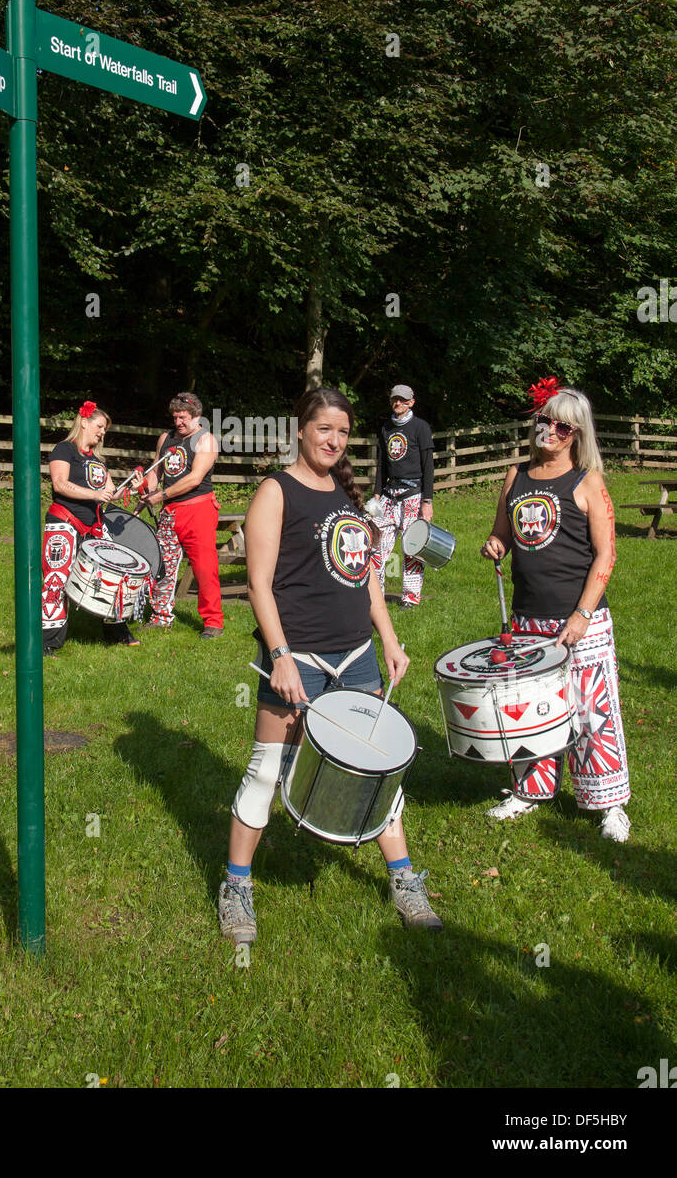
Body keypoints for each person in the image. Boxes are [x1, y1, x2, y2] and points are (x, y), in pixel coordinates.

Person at [218, 387, 442, 947]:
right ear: (300, 430)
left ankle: (404, 879)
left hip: (358, 657)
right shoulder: (276, 491)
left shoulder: (349, 497)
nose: (334, 440)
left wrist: (389, 638)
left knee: (377, 767)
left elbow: (366, 574)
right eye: (324, 429)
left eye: (342, 432)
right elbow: (259, 584)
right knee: (268, 770)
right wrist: (280, 657)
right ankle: (236, 886)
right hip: (301, 660)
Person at [480, 380, 630, 840]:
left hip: (579, 620)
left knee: (590, 708)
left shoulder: (588, 483)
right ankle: (530, 790)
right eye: (544, 420)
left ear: (577, 434)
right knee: (533, 708)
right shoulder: (516, 476)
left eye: (562, 426)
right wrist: (495, 544)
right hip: (527, 618)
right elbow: (503, 532)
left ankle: (609, 805)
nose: (549, 430)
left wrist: (582, 615)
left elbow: (606, 554)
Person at [41, 401, 139, 653]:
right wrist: (93, 495)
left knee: (114, 574)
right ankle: (48, 641)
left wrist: (131, 488)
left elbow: (109, 493)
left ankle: (115, 632)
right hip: (64, 521)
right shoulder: (64, 450)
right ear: (84, 422)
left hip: (93, 525)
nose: (103, 432)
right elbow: (60, 484)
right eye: (100, 426)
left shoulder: (98, 460)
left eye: (105, 428)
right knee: (56, 578)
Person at [141, 391, 224, 638]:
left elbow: (194, 478)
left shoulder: (205, 440)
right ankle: (160, 616)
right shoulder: (165, 438)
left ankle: (213, 622)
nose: (178, 422)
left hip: (198, 509)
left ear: (197, 416)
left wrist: (160, 496)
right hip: (170, 510)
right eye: (175, 417)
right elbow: (155, 470)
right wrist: (147, 488)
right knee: (162, 564)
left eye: (183, 417)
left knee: (204, 567)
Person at [372, 385, 435, 608]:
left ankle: (410, 598)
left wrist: (427, 501)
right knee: (376, 544)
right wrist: (377, 496)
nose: (398, 403)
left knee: (412, 547)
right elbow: (381, 464)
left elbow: (428, 466)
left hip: (414, 496)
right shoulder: (387, 428)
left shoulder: (421, 427)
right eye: (394, 400)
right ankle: (375, 596)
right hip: (390, 494)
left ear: (411, 402)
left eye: (402, 400)